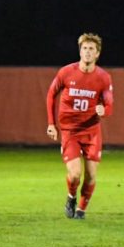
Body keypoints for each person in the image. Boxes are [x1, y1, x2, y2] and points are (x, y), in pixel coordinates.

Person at [46, 32, 114, 219]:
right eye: (84, 48)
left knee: (91, 176)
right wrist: (51, 123)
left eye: (91, 49)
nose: (87, 52)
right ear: (80, 51)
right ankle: (70, 197)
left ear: (97, 54)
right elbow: (51, 94)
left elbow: (109, 105)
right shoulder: (66, 72)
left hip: (92, 132)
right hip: (70, 131)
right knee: (75, 174)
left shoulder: (103, 77)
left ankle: (81, 210)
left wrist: (104, 110)